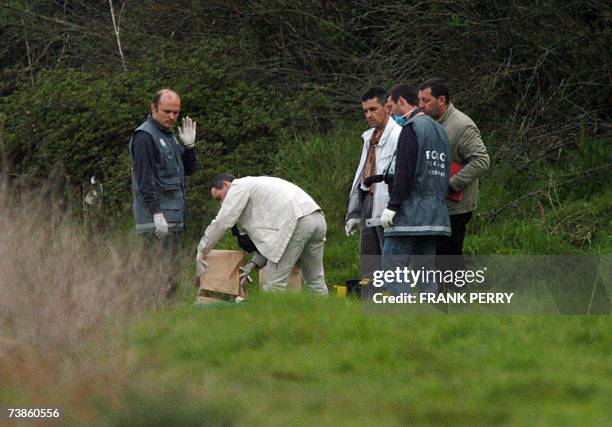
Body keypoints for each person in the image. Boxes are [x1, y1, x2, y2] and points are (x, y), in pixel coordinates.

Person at [196, 174, 328, 294]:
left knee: (273, 284)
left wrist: (202, 250)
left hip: (295, 221)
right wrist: (253, 264)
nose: (222, 203)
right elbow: (272, 239)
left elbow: (222, 222)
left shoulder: (238, 187)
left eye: (220, 197)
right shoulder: (258, 186)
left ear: (226, 184)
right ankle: (323, 319)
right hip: (316, 218)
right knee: (315, 281)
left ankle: (278, 321)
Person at [380, 84, 451, 295]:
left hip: (410, 213)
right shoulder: (440, 131)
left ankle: (406, 316)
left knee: (391, 270)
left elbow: (405, 172)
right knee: (426, 272)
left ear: (402, 101)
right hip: (435, 213)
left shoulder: (411, 129)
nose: (390, 112)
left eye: (391, 106)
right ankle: (432, 320)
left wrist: (392, 206)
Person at [129, 88, 198, 297]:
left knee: (173, 275)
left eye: (176, 113)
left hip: (175, 217)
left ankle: (170, 321)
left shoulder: (169, 136)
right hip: (156, 222)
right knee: (159, 277)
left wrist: (190, 147)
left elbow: (190, 170)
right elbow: (144, 180)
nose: (172, 117)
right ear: (154, 108)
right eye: (167, 111)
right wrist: (156, 213)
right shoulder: (144, 137)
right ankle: (153, 318)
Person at [418, 78, 490, 272]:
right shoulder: (426, 122)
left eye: (426, 101)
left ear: (441, 100)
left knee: (449, 255)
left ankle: (456, 296)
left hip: (455, 205)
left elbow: (481, 160)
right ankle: (441, 296)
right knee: (435, 256)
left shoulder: (462, 125)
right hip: (434, 202)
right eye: (420, 100)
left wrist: (451, 184)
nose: (420, 105)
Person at [345, 87, 402, 280]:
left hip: (388, 203)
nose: (369, 115)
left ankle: (394, 300)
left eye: (373, 109)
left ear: (386, 106)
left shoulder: (398, 135)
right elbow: (362, 175)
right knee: (369, 258)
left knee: (390, 258)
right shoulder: (368, 137)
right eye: (365, 111)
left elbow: (400, 175)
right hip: (368, 200)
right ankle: (372, 300)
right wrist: (354, 212)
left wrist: (395, 206)